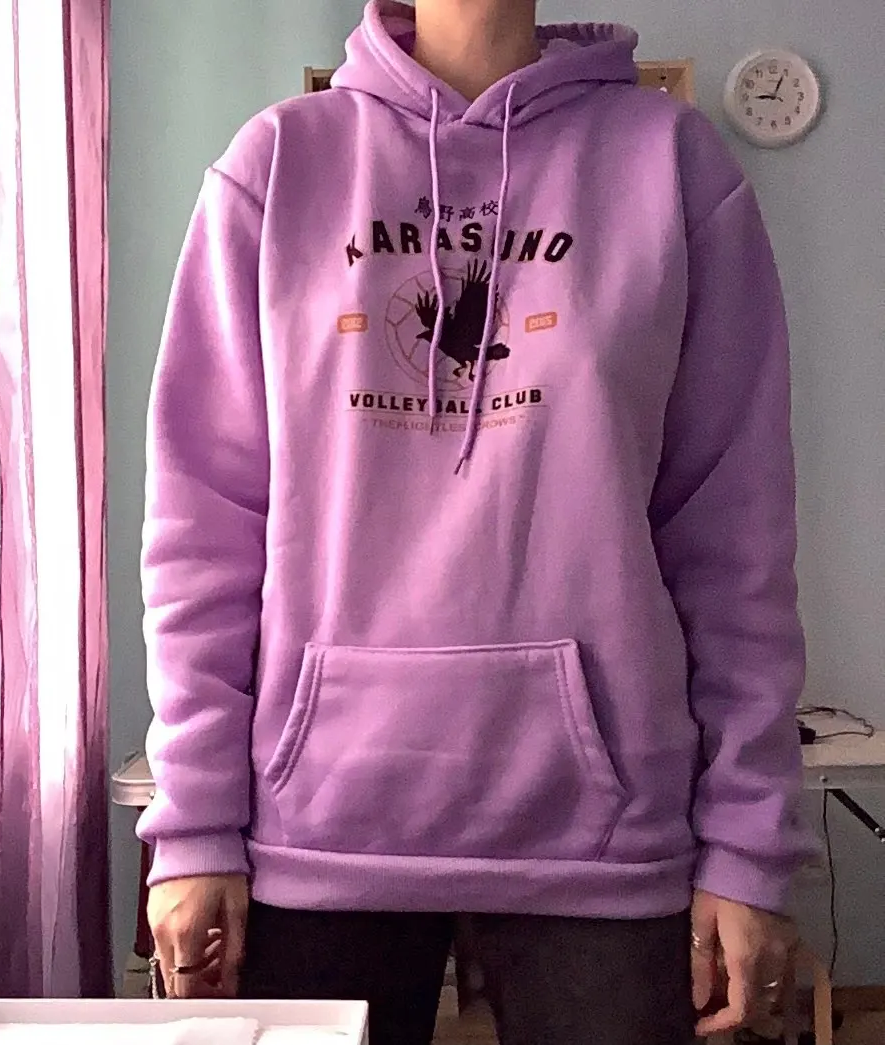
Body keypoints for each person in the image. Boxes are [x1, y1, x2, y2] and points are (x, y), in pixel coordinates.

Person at [139, 1, 813, 1042]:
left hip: (604, 841)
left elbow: (735, 535)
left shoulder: (674, 165)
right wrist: (193, 824)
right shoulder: (276, 165)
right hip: (316, 832)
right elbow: (203, 529)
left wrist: (748, 838)